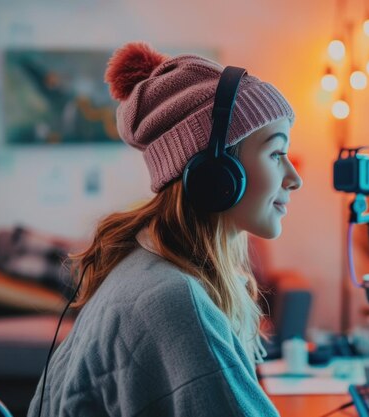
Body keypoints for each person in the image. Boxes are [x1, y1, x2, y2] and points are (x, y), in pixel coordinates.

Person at [27, 42, 302, 417]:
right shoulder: (173, 300)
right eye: (275, 153)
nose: (294, 178)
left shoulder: (146, 265)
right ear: (217, 175)